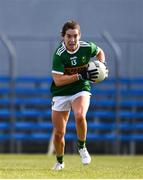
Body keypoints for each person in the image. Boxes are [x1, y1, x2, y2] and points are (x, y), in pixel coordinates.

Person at [50, 20, 106, 171]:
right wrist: (80, 75)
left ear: (80, 36)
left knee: (80, 115)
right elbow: (58, 80)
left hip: (81, 89)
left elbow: (100, 52)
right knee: (59, 133)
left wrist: (101, 65)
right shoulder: (59, 54)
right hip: (61, 93)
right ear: (63, 36)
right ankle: (60, 161)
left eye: (75, 36)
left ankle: (82, 147)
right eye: (69, 36)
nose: (72, 40)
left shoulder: (87, 47)